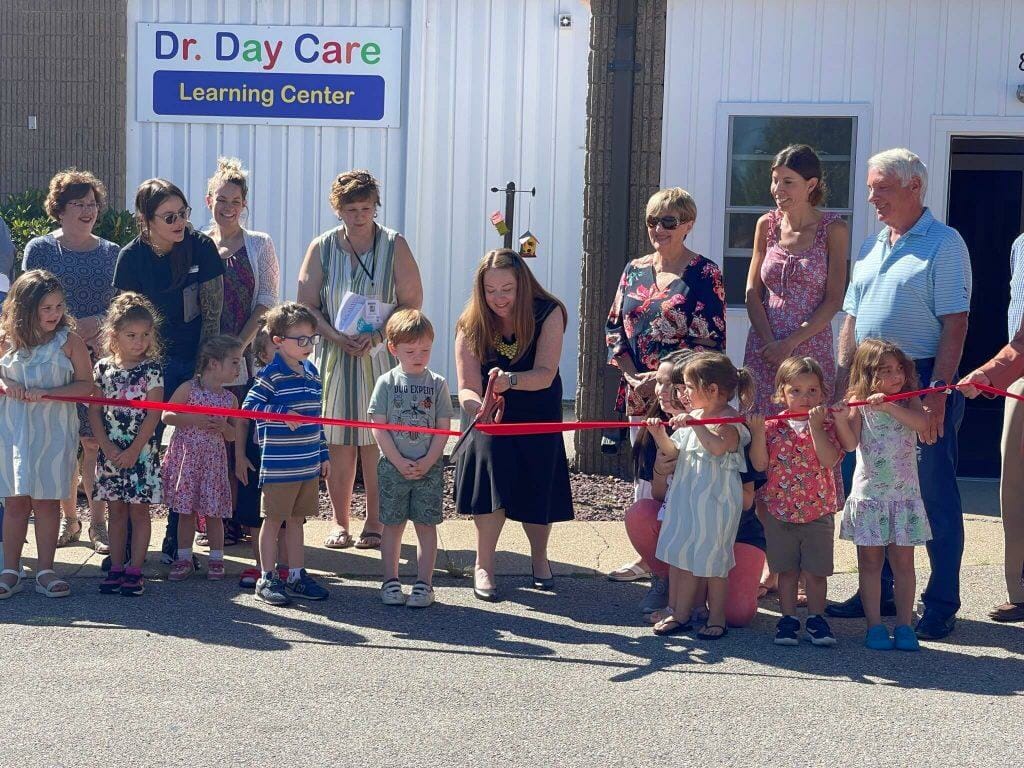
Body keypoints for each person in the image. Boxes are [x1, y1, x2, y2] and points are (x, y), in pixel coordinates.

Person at [830, 148, 971, 641]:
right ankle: (880, 592)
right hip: (865, 387)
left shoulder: (945, 243)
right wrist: (843, 385)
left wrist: (937, 393)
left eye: (882, 188)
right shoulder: (872, 244)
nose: (872, 198)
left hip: (919, 383)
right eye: (871, 188)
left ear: (915, 187)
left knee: (930, 494)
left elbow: (956, 322)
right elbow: (851, 318)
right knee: (872, 487)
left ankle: (941, 603)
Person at [297, 170, 423, 552]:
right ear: (338, 210)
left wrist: (379, 335)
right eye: (351, 209)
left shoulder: (394, 244)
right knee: (338, 442)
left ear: (375, 206)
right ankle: (340, 522)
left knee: (375, 442)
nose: (359, 216)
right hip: (335, 357)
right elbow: (306, 305)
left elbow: (411, 302)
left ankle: (375, 521)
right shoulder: (322, 246)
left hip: (379, 357)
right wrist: (334, 335)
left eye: (365, 208)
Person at [605, 187, 727, 581]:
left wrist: (663, 377)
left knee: (678, 470)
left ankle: (679, 557)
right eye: (652, 221)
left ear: (688, 224)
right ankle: (648, 556)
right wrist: (630, 374)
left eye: (669, 221)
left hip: (680, 393)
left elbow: (711, 340)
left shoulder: (704, 273)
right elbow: (614, 327)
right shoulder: (634, 269)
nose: (659, 229)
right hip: (638, 391)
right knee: (646, 470)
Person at [114, 178, 224, 562]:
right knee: (140, 447)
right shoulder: (131, 257)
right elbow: (123, 319)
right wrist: (133, 371)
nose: (180, 222)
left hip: (190, 362)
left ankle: (177, 542)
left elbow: (213, 314)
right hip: (145, 365)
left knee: (184, 452)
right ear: (146, 220)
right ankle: (127, 544)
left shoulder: (202, 247)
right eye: (170, 217)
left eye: (183, 213)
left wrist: (203, 375)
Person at [454, 249, 573, 601]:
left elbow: (545, 373)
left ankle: (540, 559)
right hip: (489, 413)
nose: (499, 298)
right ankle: (484, 565)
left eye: (507, 289)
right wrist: (478, 407)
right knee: (491, 477)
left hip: (537, 406)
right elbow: (466, 386)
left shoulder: (549, 312)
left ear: (523, 285)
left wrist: (510, 381)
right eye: (490, 290)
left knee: (537, 483)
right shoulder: (470, 322)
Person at [624, 352, 768, 628]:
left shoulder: (731, 422)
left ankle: (716, 619)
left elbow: (717, 447)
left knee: (713, 563)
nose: (683, 394)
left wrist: (694, 424)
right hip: (688, 502)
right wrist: (659, 435)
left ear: (712, 390)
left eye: (689, 387)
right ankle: (679, 612)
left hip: (715, 506)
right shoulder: (695, 416)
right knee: (682, 557)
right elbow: (673, 451)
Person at [24, 169, 120, 553]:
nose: (87, 210)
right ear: (59, 209)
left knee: (93, 442)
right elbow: (28, 302)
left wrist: (97, 324)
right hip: (54, 359)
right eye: (78, 203)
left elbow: (122, 307)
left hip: (99, 358)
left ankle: (98, 524)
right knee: (61, 445)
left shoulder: (112, 253)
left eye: (92, 203)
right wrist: (66, 333)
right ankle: (70, 522)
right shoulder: (40, 250)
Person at [0, 270, 96, 598]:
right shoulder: (5, 339)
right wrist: (7, 383)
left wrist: (52, 393)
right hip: (13, 431)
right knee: (15, 502)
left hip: (53, 431)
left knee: (46, 501)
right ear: (25, 309)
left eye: (58, 306)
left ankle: (45, 570)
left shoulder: (69, 342)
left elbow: (87, 385)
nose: (55, 314)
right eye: (46, 308)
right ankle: (10, 570)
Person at [204, 157, 280, 547]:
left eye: (235, 201)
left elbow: (267, 299)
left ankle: (242, 519)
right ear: (209, 201)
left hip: (245, 356)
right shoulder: (198, 244)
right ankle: (214, 521)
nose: (228, 207)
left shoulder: (260, 244)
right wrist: (211, 356)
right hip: (207, 359)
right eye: (222, 199)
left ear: (244, 204)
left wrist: (238, 347)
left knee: (241, 438)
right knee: (211, 437)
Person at [838, 339, 931, 650]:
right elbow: (850, 444)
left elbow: (921, 424)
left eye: (898, 369)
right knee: (870, 564)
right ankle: (874, 626)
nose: (896, 376)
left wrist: (889, 405)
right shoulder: (858, 402)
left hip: (903, 498)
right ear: (867, 374)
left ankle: (905, 625)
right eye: (885, 371)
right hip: (870, 498)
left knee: (904, 563)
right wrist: (839, 418)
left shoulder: (909, 399)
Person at [744, 145, 848, 413]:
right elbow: (752, 292)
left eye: (788, 182)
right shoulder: (766, 225)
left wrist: (789, 344)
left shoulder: (833, 229)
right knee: (761, 428)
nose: (778, 189)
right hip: (765, 348)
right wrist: (771, 345)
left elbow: (834, 299)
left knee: (808, 427)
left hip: (810, 348)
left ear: (811, 185)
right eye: (775, 180)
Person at [749, 357, 844, 647]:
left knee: (816, 571)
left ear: (822, 392)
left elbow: (829, 460)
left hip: (818, 511)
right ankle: (788, 619)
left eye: (812, 390)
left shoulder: (828, 423)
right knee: (786, 571)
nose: (805, 397)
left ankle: (816, 618)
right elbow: (760, 464)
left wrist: (816, 428)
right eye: (796, 391)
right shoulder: (772, 426)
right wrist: (756, 434)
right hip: (779, 511)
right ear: (782, 392)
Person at [241, 302, 331, 606]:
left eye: (311, 338)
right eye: (301, 339)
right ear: (278, 341)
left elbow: (316, 419)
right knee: (273, 520)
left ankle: (295, 575)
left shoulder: (312, 373)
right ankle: (267, 578)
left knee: (296, 521)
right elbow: (250, 407)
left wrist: (323, 453)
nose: (308, 345)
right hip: (280, 467)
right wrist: (281, 412)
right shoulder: (271, 375)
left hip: (307, 464)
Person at [957, 228, 1024, 623]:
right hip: (1020, 383)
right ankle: (1020, 591)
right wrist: (989, 375)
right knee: (1014, 488)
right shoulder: (1020, 245)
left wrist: (989, 373)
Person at [368, 309, 453, 608]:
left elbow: (443, 427)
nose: (419, 356)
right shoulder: (386, 383)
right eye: (411, 351)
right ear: (393, 349)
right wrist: (397, 460)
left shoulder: (438, 383)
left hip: (428, 469)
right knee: (392, 526)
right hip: (393, 468)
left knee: (426, 526)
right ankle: (390, 581)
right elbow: (378, 427)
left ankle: (424, 584)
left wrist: (429, 461)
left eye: (425, 350)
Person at [88, 293, 164, 597]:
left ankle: (135, 571)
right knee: (116, 512)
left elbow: (154, 414)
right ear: (114, 334)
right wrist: (106, 447)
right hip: (111, 453)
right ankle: (117, 567)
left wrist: (134, 450)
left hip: (141, 454)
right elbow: (94, 411)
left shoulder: (152, 369)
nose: (139, 342)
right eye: (131, 335)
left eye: (145, 335)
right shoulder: (102, 368)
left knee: (139, 513)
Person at [161, 335, 243, 582]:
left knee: (214, 512)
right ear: (214, 363)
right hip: (187, 459)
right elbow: (166, 415)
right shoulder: (189, 389)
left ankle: (217, 558)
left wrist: (223, 427)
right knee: (185, 511)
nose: (239, 368)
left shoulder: (230, 399)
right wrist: (192, 419)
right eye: (234, 362)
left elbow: (234, 435)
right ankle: (184, 558)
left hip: (212, 463)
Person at [234, 325, 290, 589]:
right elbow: (242, 422)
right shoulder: (254, 385)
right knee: (256, 514)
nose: (282, 352)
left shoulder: (299, 383)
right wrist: (240, 456)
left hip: (288, 459)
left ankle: (287, 567)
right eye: (276, 348)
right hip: (257, 457)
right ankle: (261, 566)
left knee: (288, 516)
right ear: (262, 354)